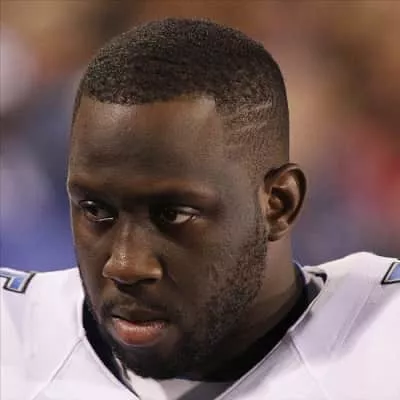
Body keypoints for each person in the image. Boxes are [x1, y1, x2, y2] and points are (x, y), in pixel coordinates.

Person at [1, 18, 399, 400]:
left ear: (279, 205)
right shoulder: (14, 337)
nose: (125, 265)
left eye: (172, 215)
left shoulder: (383, 340)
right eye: (95, 210)